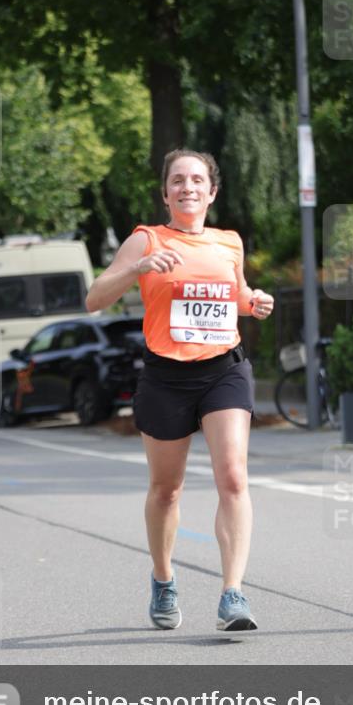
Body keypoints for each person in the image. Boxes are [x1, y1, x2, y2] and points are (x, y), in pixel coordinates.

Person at [85, 149, 274, 632]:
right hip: (166, 376)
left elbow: (235, 294)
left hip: (223, 370)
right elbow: (94, 299)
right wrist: (139, 267)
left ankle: (233, 593)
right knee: (166, 491)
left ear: (212, 192)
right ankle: (163, 579)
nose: (187, 187)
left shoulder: (229, 242)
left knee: (233, 477)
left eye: (196, 180)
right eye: (177, 180)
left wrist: (253, 303)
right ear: (166, 192)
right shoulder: (146, 239)